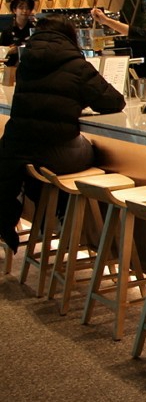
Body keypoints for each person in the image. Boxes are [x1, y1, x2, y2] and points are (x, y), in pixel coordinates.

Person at [0, 15, 126, 254]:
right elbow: (113, 101)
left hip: (21, 150)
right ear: (70, 37)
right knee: (92, 149)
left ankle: (57, 221)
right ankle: (74, 227)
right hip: (54, 155)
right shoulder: (76, 64)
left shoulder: (26, 62)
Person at [0, 0, 35, 66]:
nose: (25, 11)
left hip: (29, 66)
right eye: (21, 8)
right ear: (14, 10)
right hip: (10, 67)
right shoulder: (7, 31)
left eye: (27, 8)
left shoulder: (34, 30)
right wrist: (9, 51)